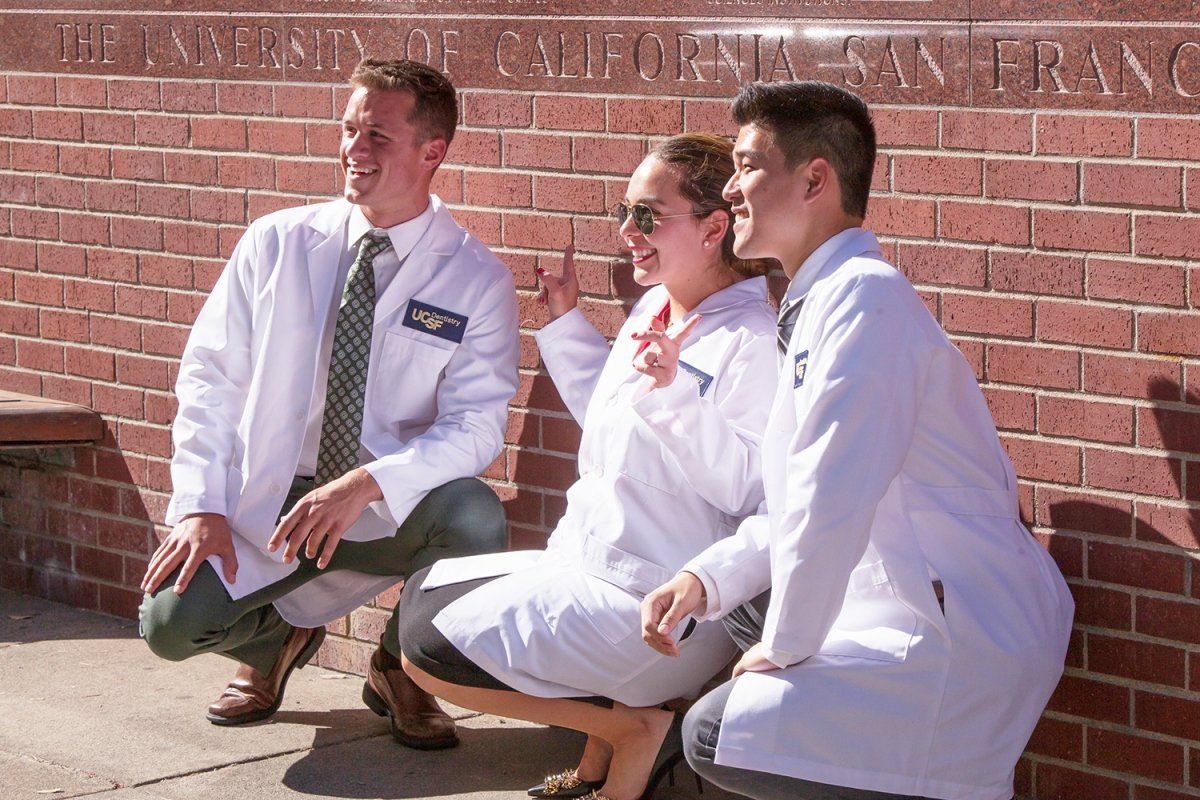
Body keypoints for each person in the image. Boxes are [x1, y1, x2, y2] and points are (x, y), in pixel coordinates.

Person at [641, 81, 1074, 800]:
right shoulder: (822, 302)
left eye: (748, 166)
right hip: (908, 609)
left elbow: (828, 494)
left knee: (717, 731)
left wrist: (783, 650)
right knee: (735, 609)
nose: (732, 189)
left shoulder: (863, 299)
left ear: (815, 179)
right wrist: (705, 577)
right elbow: (797, 501)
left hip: (956, 633)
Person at [137, 58, 519, 750]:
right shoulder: (278, 243)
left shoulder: (474, 278)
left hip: (380, 505)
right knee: (168, 625)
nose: (352, 149)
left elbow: (477, 426)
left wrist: (371, 481)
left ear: (432, 151)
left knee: (473, 516)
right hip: (272, 500)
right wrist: (201, 504)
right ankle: (276, 641)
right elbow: (210, 377)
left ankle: (401, 670)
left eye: (377, 135)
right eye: (348, 130)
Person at [394, 133, 780, 800]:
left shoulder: (753, 343)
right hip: (592, 566)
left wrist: (674, 395)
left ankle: (631, 730)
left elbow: (747, 488)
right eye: (624, 212)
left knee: (427, 645)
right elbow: (612, 417)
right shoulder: (656, 310)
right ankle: (600, 754)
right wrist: (567, 322)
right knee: (425, 595)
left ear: (716, 226)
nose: (629, 231)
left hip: (662, 607)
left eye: (649, 215)